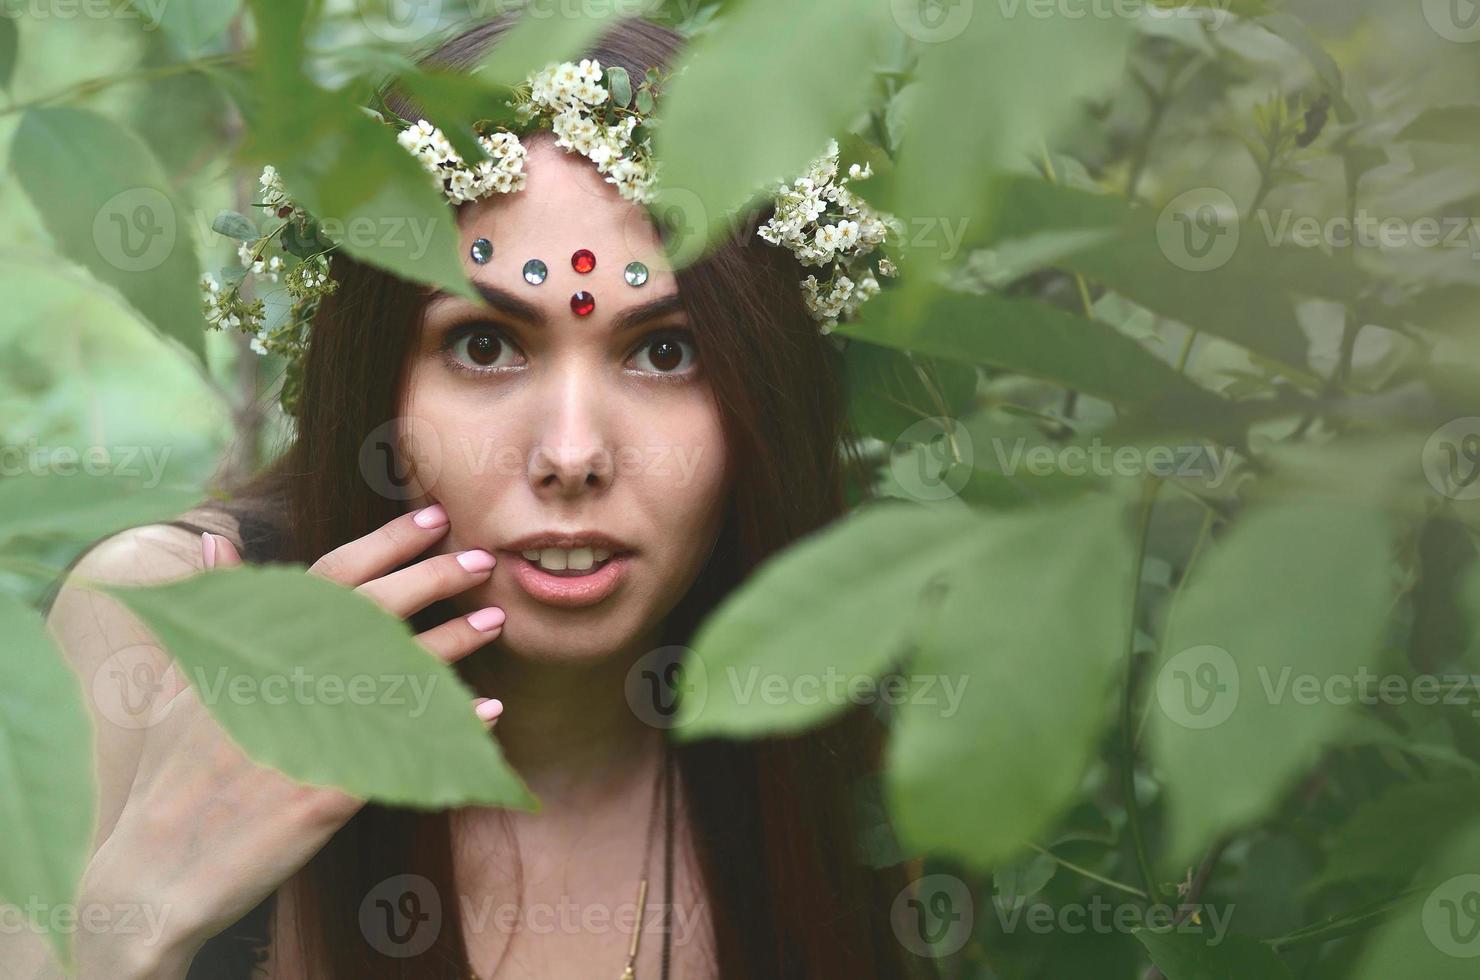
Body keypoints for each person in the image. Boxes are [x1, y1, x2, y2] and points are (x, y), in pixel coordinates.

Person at [30, 14, 921, 980]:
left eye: (665, 351)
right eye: (485, 346)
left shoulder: (853, 738)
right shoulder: (162, 631)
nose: (571, 454)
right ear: (370, 376)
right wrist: (135, 918)